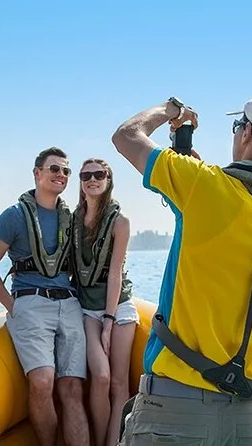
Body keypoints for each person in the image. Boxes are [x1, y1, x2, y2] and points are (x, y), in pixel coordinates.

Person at [110, 85, 252, 445]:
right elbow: (240, 224)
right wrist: (198, 178)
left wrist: (170, 109)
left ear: (248, 133)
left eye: (239, 125)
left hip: (173, 414)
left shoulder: (203, 188)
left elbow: (127, 136)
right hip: (248, 421)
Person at [0, 147, 90, 446]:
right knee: (42, 381)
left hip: (68, 304)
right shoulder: (13, 216)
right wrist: (13, 306)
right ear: (37, 173)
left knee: (72, 388)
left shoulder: (72, 218)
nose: (61, 175)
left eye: (66, 171)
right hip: (30, 302)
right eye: (54, 169)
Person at [71, 158, 139, 446]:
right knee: (100, 377)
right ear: (80, 181)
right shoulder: (72, 220)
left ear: (108, 180)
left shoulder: (120, 223)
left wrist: (109, 322)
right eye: (86, 175)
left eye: (99, 174)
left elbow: (114, 274)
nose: (92, 179)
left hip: (118, 307)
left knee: (118, 382)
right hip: (88, 308)